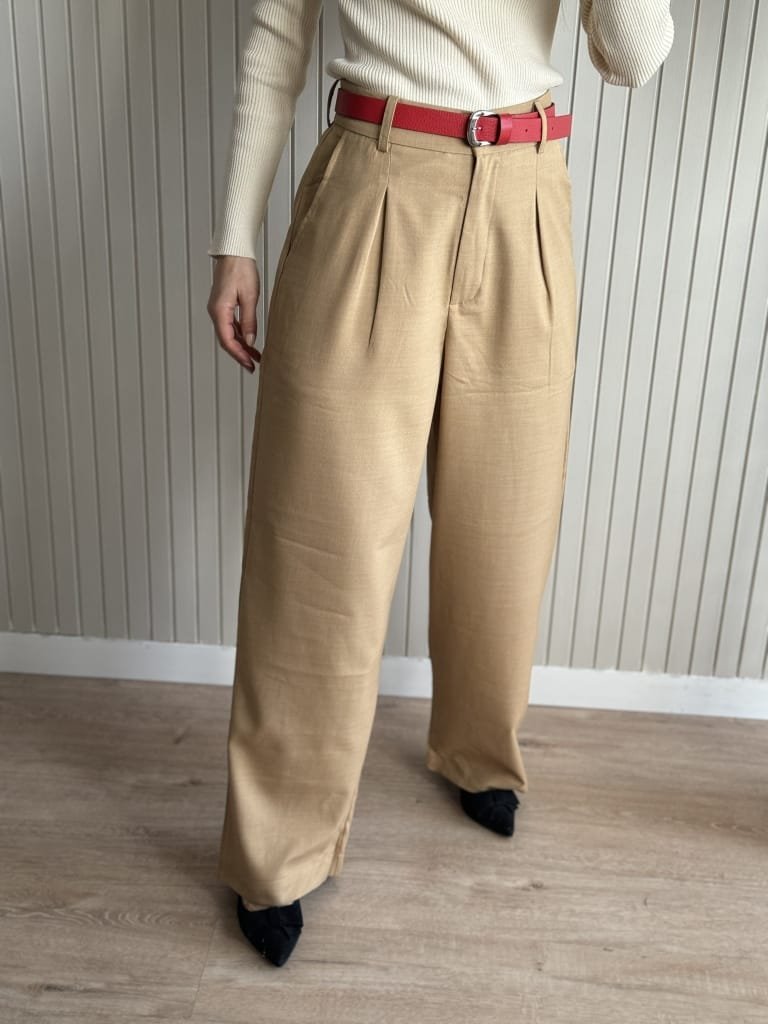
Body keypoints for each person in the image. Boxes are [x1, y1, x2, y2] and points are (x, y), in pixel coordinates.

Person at [206, 0, 674, 968]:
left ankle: (478, 745)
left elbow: (635, 57)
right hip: (374, 177)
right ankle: (277, 846)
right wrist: (234, 236)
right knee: (321, 534)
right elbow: (279, 34)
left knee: (507, 516)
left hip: (527, 191)